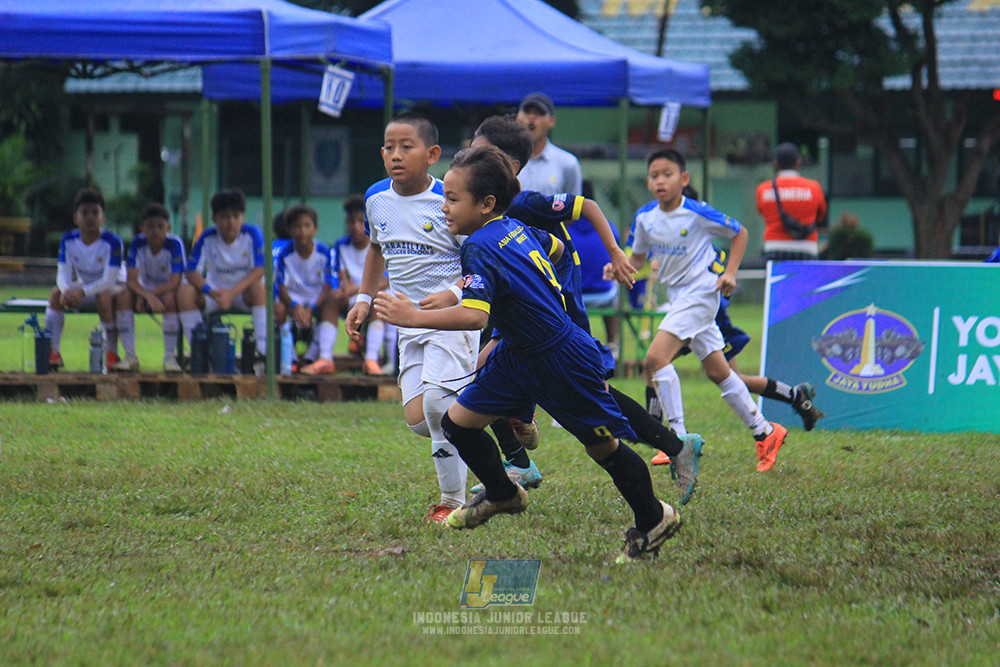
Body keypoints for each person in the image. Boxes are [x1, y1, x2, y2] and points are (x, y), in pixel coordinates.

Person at [373, 145, 691, 562]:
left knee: (603, 447)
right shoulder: (514, 228)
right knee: (458, 423)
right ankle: (504, 493)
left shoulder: (479, 247)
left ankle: (654, 519)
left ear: (486, 204)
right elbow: (557, 251)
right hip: (519, 353)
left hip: (558, 357)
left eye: (451, 199)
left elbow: (473, 317)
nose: (443, 208)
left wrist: (412, 315)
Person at [461, 115, 702, 506]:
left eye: (481, 152)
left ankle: (673, 447)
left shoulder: (524, 201)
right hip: (525, 310)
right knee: (485, 366)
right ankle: (519, 453)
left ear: (510, 166)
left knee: (592, 394)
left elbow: (587, 207)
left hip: (556, 310)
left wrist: (615, 252)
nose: (472, 157)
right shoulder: (484, 211)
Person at [345, 113, 479, 524]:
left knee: (439, 407)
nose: (395, 155)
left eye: (407, 146)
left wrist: (453, 293)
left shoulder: (450, 200)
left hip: (451, 320)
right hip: (407, 325)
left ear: (433, 154)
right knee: (421, 421)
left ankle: (451, 502)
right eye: (389, 147)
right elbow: (375, 249)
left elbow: (478, 260)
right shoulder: (375, 199)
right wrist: (365, 297)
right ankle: (493, 424)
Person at [630, 148, 788, 472]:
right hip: (678, 298)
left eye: (667, 174)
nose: (660, 180)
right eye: (654, 175)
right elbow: (636, 260)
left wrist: (730, 272)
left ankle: (678, 440)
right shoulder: (645, 217)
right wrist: (617, 268)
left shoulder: (698, 212)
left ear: (684, 179)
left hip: (701, 293)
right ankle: (766, 431)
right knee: (718, 371)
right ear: (648, 182)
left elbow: (740, 232)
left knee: (655, 359)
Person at [177, 188, 267, 367]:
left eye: (236, 216)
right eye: (225, 216)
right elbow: (191, 272)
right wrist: (211, 292)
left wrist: (232, 293)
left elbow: (259, 269)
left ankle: (262, 352)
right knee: (184, 292)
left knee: (259, 287)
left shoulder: (252, 234)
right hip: (215, 295)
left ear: (242, 217)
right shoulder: (206, 237)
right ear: (214, 218)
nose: (231, 222)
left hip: (242, 294)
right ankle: (200, 351)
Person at [45, 188, 128, 371]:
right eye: (84, 213)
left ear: (103, 217)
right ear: (76, 218)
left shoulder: (113, 241)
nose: (90, 218)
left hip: (114, 286)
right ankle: (53, 352)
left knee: (103, 297)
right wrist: (67, 291)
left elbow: (109, 280)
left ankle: (111, 353)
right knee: (56, 294)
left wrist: (80, 292)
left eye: (95, 213)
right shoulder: (68, 239)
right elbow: (63, 273)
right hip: (85, 287)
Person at [335, 194, 397, 376]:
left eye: (360, 221)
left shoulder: (379, 245)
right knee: (331, 300)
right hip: (352, 298)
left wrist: (357, 289)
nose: (355, 226)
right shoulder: (341, 246)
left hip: (374, 296)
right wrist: (345, 289)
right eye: (351, 221)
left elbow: (385, 281)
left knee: (380, 300)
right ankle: (322, 357)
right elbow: (341, 277)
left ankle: (371, 360)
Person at [121, 202, 186, 373]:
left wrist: (148, 295)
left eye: (160, 226)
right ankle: (130, 355)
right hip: (145, 290)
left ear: (168, 227)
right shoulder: (137, 244)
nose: (155, 231)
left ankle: (170, 357)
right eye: (150, 226)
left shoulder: (175, 244)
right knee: (123, 296)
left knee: (171, 299)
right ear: (142, 228)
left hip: (167, 290)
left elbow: (175, 281)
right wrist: (146, 295)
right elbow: (131, 279)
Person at [274, 204, 338, 375]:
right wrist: (295, 306)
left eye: (307, 226)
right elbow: (281, 288)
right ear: (289, 229)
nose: (302, 231)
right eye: (297, 226)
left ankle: (322, 358)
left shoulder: (323, 252)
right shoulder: (285, 254)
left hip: (316, 299)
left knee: (331, 302)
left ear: (315, 229)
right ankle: (291, 359)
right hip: (294, 300)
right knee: (278, 309)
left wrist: (312, 309)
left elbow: (326, 286)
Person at [756, 142, 827, 261]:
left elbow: (762, 213)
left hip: (774, 248)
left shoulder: (763, 189)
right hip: (807, 249)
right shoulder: (814, 187)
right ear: (798, 162)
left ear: (775, 164)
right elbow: (820, 216)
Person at [573, 179, 620, 358]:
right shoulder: (608, 226)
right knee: (614, 291)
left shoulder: (564, 227)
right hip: (603, 296)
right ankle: (613, 344)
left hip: (575, 297)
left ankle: (574, 344)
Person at [515, 92, 582, 196]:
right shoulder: (505, 160)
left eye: (539, 113)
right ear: (518, 117)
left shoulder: (568, 163)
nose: (532, 117)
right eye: (527, 112)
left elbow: (573, 207)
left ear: (551, 121)